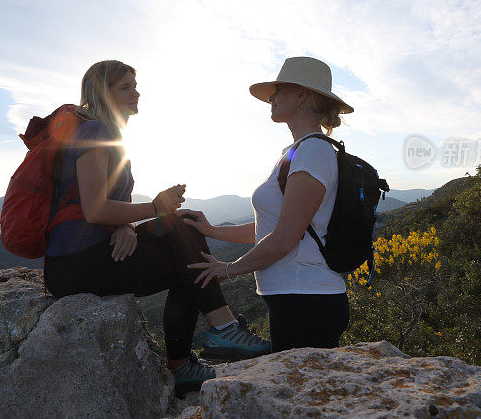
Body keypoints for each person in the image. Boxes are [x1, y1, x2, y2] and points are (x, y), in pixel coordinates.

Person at [43, 60, 270, 396]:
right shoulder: (96, 132)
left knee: (184, 224)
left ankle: (214, 335)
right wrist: (155, 207)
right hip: (75, 264)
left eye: (135, 85)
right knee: (186, 267)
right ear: (104, 92)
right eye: (126, 87)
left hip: (94, 249)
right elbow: (94, 210)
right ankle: (207, 342)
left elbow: (103, 203)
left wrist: (126, 224)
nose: (136, 92)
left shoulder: (104, 132)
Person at [183, 56, 353, 353]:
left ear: (302, 94)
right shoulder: (301, 151)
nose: (271, 97)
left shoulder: (312, 152)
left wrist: (229, 269)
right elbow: (271, 229)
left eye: (278, 90)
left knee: (301, 395)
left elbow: (285, 238)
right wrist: (211, 231)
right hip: (299, 297)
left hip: (306, 299)